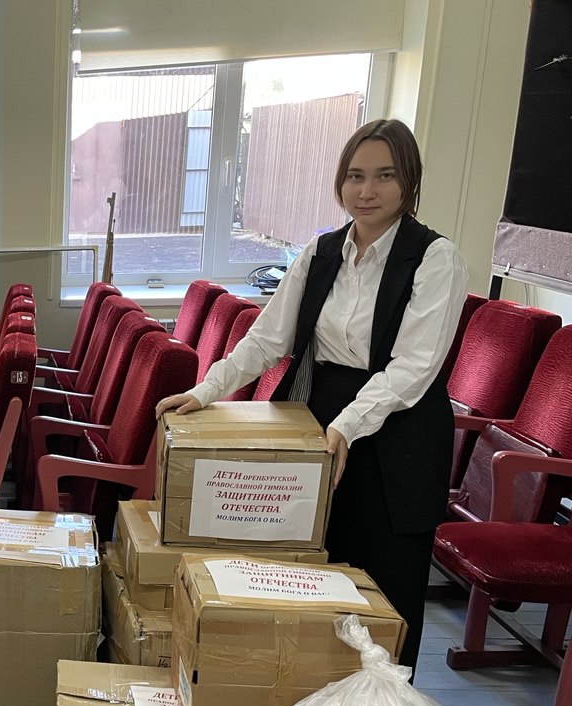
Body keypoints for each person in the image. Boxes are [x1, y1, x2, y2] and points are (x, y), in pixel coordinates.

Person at [156, 118, 469, 676]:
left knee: (384, 591)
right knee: (317, 578)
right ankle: (309, 702)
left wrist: (348, 424)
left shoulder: (434, 257)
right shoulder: (321, 252)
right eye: (354, 176)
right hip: (322, 422)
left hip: (396, 431)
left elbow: (415, 366)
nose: (366, 191)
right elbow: (267, 339)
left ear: (409, 182)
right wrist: (205, 390)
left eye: (384, 176)